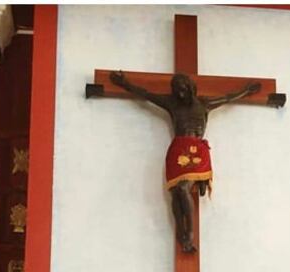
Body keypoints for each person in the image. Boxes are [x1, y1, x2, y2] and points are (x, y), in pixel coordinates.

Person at [109, 71, 261, 253]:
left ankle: (188, 231)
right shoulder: (172, 104)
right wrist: (125, 83)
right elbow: (146, 94)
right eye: (175, 90)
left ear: (189, 88)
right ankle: (182, 232)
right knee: (176, 192)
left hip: (197, 150)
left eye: (181, 89)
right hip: (178, 149)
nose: (179, 93)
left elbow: (228, 98)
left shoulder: (204, 103)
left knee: (182, 188)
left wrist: (246, 91)